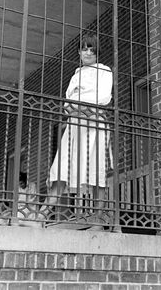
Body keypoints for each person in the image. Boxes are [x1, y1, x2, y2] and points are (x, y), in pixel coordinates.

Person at [40, 32, 113, 230]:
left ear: (97, 53)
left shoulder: (104, 71)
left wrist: (78, 105)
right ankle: (40, 217)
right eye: (84, 48)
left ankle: (97, 220)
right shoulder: (76, 74)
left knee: (96, 170)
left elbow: (103, 98)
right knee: (62, 166)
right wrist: (78, 105)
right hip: (74, 127)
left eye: (92, 49)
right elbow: (67, 103)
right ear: (79, 52)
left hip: (94, 125)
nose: (88, 52)